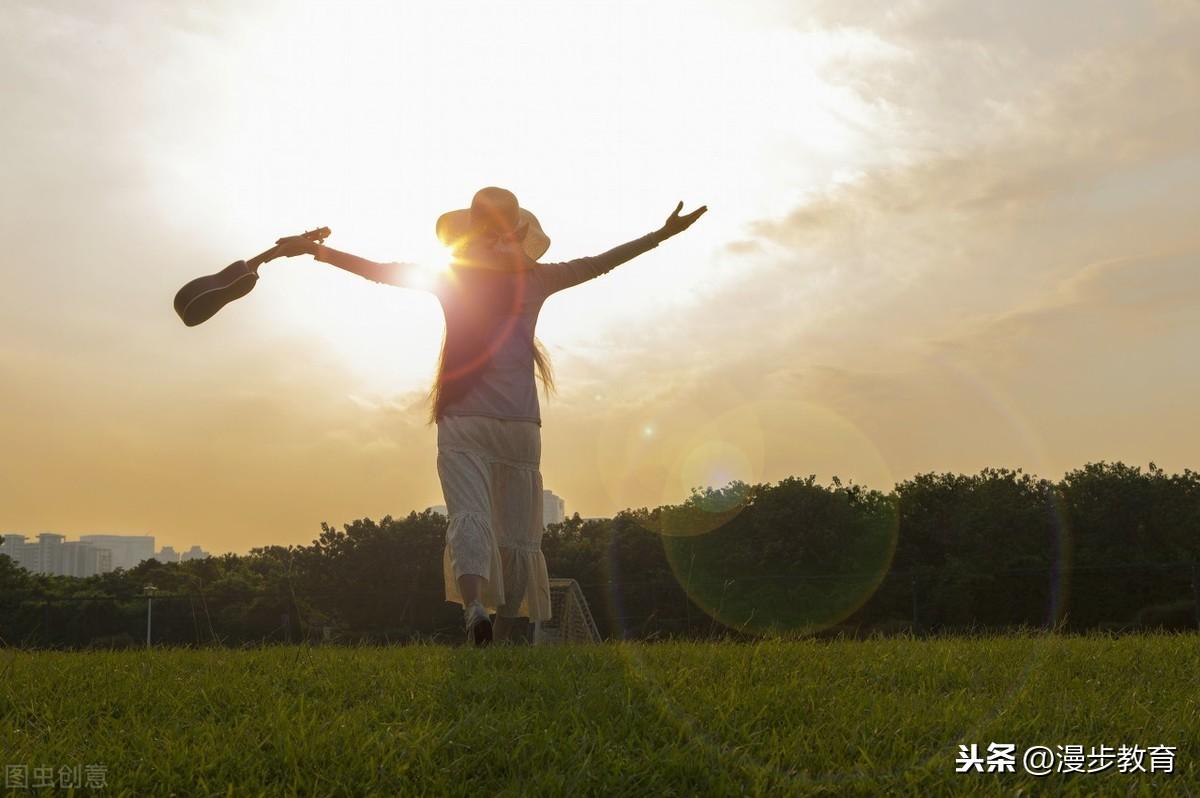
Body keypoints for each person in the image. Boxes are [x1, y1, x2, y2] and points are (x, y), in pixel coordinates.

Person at [275, 187, 706, 645]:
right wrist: (661, 234)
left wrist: (315, 251)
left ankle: (475, 607)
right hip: (521, 427)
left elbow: (381, 272)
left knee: (469, 517)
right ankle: (500, 630)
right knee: (519, 535)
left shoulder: (453, 277)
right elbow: (602, 262)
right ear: (519, 232)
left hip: (464, 419)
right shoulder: (537, 279)